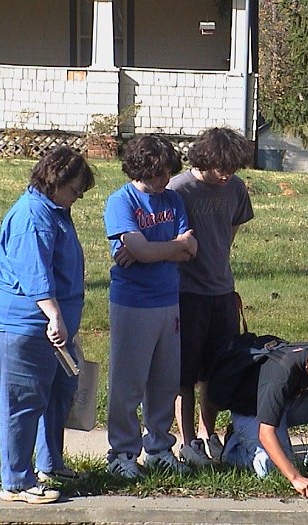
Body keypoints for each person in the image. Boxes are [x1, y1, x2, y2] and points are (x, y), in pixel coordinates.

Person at [0, 147, 95, 504]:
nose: (77, 198)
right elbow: (34, 273)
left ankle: (49, 464)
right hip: (25, 325)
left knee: (58, 392)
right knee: (22, 402)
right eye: (74, 190)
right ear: (55, 181)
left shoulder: (56, 211)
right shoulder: (32, 216)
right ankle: (16, 482)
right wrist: (54, 315)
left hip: (53, 328)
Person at [104, 135, 198, 479]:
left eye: (168, 173)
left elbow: (191, 249)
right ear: (140, 169)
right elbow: (146, 250)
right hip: (133, 302)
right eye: (158, 174)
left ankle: (159, 448)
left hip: (168, 300)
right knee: (128, 382)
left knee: (164, 381)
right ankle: (122, 453)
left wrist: (150, 250)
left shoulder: (172, 199)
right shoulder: (121, 201)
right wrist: (170, 246)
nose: (164, 180)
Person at [166, 127, 254, 466]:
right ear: (204, 160)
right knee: (185, 374)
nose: (227, 175)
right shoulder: (179, 189)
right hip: (186, 293)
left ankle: (208, 433)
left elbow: (231, 230)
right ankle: (188, 441)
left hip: (222, 291)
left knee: (216, 372)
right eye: (221, 168)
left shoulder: (235, 188)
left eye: (233, 168)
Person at [222, 335, 308, 499]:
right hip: (251, 412)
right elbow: (266, 433)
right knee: (272, 468)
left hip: (284, 406)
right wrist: (295, 477)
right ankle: (234, 448)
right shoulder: (280, 374)